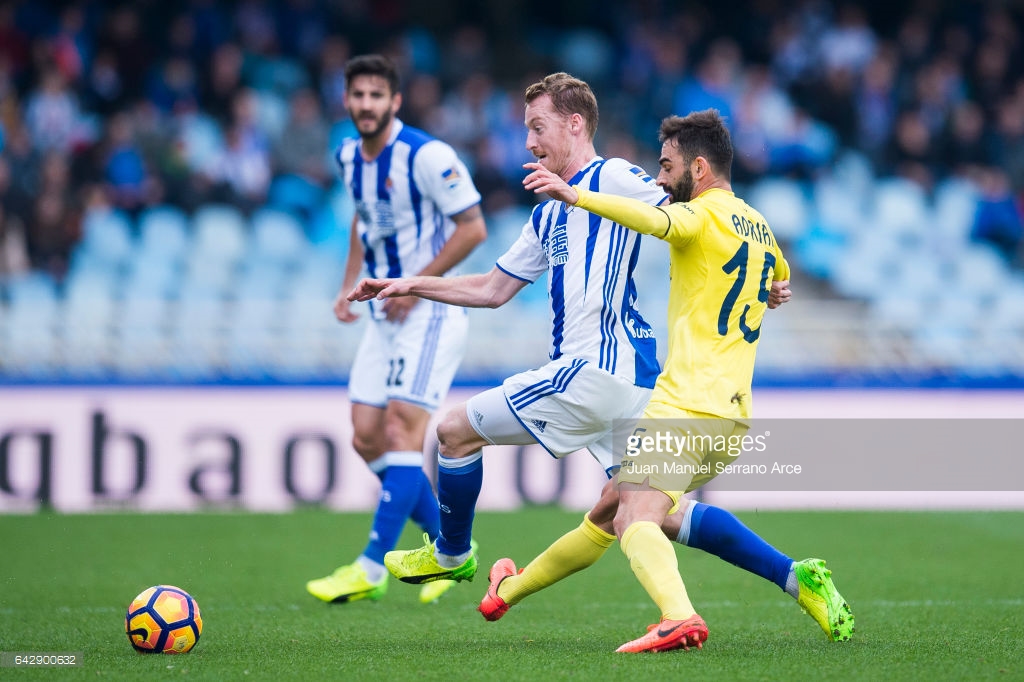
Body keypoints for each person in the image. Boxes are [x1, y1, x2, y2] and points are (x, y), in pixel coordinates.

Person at [351, 73, 787, 613]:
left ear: (575, 124)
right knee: (646, 513)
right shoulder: (548, 210)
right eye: (526, 130)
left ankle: (451, 552)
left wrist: (753, 277)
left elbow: (691, 205)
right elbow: (492, 289)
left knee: (453, 433)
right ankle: (791, 576)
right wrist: (412, 283)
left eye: (539, 127)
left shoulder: (618, 176)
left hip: (592, 371)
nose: (529, 142)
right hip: (635, 386)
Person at [520, 109, 854, 653]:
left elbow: (654, 222)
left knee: (634, 517)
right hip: (731, 415)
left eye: (666, 166)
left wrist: (574, 196)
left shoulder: (699, 216)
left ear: (698, 169)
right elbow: (780, 276)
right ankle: (797, 577)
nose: (658, 180)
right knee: (617, 505)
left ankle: (678, 617)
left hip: (687, 407)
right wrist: (770, 291)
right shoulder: (760, 226)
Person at [305, 54, 487, 606]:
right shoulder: (346, 155)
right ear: (347, 100)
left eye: (376, 96)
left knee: (402, 434)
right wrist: (348, 283)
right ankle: (449, 549)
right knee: (365, 436)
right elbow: (362, 219)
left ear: (395, 101)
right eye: (357, 95)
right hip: (384, 315)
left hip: (427, 312)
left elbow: (473, 228)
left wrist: (413, 283)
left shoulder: (428, 156)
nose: (366, 105)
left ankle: (370, 567)